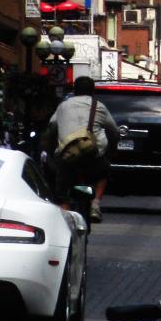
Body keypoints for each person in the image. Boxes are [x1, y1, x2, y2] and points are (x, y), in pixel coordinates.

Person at [49, 76, 119, 223]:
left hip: (67, 156)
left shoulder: (64, 106)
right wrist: (111, 148)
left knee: (62, 189)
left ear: (74, 90)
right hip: (92, 154)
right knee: (103, 172)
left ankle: (65, 216)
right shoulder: (99, 106)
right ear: (93, 91)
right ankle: (95, 204)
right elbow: (114, 131)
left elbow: (52, 125)